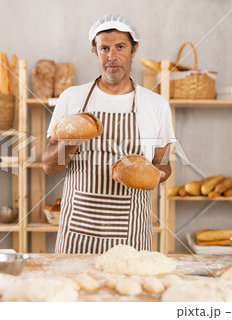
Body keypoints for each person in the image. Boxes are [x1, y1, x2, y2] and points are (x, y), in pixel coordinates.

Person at [42, 13, 175, 254]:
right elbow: (49, 166)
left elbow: (163, 164)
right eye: (104, 48)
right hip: (78, 230)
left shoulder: (155, 105)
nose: (112, 57)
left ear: (134, 50)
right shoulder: (72, 98)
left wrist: (152, 175)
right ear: (95, 51)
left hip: (130, 231)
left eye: (120, 47)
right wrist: (72, 141)